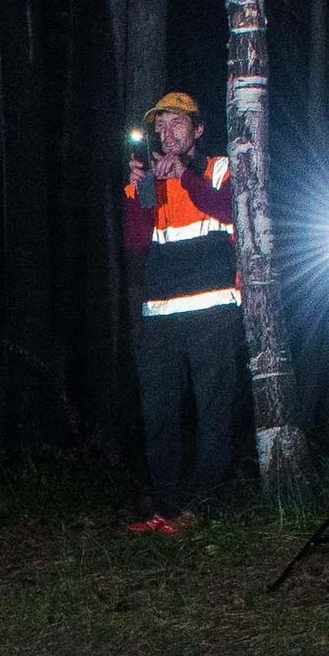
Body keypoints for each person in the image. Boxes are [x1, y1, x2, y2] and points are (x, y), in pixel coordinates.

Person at [120, 91, 241, 536]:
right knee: (159, 412)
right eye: (161, 126)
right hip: (159, 317)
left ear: (198, 129)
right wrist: (141, 193)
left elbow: (229, 210)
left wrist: (186, 176)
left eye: (177, 124)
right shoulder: (148, 179)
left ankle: (202, 507)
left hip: (212, 311)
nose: (167, 133)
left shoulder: (219, 168)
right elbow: (135, 244)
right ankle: (165, 509)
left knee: (213, 411)